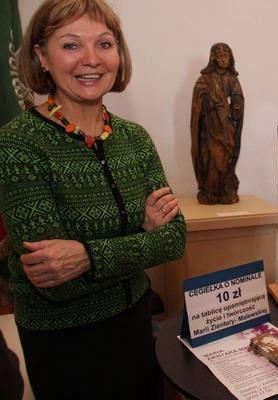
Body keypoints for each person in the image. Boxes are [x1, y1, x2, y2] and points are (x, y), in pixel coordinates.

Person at [0, 1, 186, 399]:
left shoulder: (135, 139)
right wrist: (144, 237)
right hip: (64, 343)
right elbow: (53, 280)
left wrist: (86, 256)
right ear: (42, 56)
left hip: (135, 325)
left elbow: (175, 239)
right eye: (71, 45)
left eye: (104, 44)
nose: (91, 59)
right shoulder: (17, 143)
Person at [190, 42, 244, 204]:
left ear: (230, 57)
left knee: (227, 155)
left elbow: (238, 97)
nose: (223, 59)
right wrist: (208, 101)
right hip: (211, 125)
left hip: (226, 123)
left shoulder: (232, 79)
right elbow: (198, 99)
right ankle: (210, 190)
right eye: (220, 56)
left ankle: (225, 189)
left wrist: (235, 106)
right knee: (211, 156)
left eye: (226, 56)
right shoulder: (205, 79)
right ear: (213, 58)